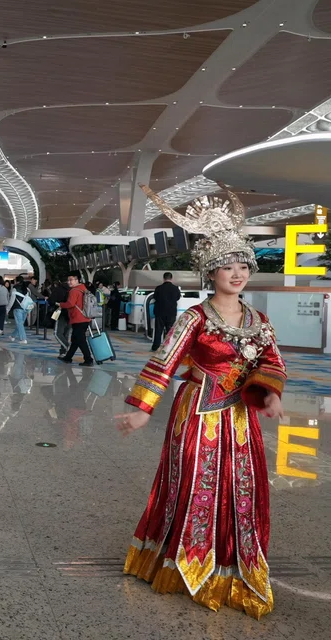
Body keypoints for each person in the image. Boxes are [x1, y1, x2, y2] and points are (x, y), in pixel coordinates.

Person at [116, 185, 287, 619]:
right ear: (210, 273)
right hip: (197, 414)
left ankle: (232, 566)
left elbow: (272, 360)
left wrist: (269, 393)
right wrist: (142, 410)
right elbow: (164, 361)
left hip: (241, 418)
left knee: (241, 488)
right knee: (195, 483)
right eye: (227, 266)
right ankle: (182, 561)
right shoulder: (194, 317)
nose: (237, 273)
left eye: (242, 266)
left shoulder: (259, 320)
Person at [58, 271, 93, 366]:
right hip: (85, 317)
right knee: (75, 339)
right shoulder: (83, 288)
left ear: (77, 280)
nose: (69, 282)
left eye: (71, 280)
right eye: (68, 280)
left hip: (78, 318)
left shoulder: (74, 291)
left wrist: (61, 304)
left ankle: (88, 359)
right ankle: (68, 357)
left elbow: (70, 304)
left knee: (81, 340)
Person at [151, 271, 181, 351]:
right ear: (171, 279)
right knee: (170, 331)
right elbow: (178, 297)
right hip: (171, 313)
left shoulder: (158, 288)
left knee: (158, 330)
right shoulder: (175, 288)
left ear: (163, 278)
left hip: (160, 312)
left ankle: (156, 347)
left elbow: (155, 297)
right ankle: (169, 347)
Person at [49, 279, 71, 355]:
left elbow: (51, 301)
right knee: (66, 333)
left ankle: (66, 346)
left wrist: (58, 304)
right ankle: (63, 351)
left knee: (57, 333)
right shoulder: (73, 290)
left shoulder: (58, 289)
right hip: (70, 314)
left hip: (59, 312)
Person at [10, 276, 31, 344]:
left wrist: (7, 309)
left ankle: (23, 339)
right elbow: (29, 300)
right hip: (25, 308)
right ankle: (13, 336)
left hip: (17, 308)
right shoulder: (27, 289)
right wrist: (29, 311)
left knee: (19, 324)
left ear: (17, 281)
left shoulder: (15, 289)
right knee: (20, 324)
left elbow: (12, 300)